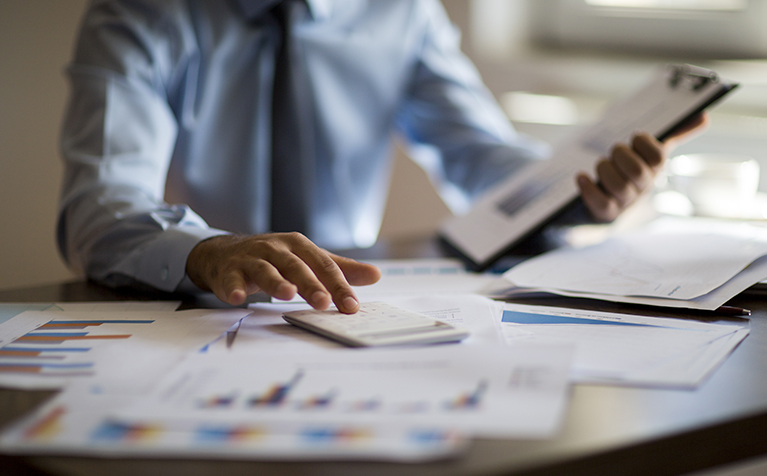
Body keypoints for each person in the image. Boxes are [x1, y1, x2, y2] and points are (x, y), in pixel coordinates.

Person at [57, 0, 705, 314]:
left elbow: (482, 160)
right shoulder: (139, 13)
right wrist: (207, 251)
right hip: (193, 310)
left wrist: (580, 190)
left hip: (346, 312)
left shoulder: (402, 12)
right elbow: (100, 204)